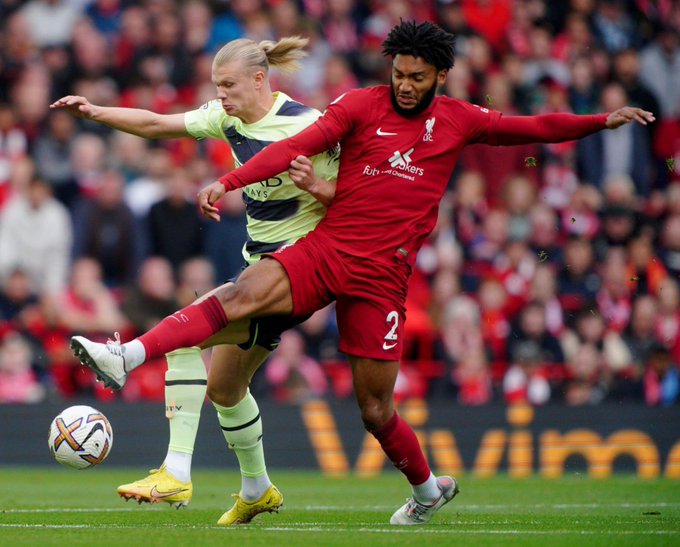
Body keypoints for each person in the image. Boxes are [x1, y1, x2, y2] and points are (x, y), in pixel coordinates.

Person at [70, 20, 654, 526]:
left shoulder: (459, 121)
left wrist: (602, 120)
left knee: (374, 409)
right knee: (243, 292)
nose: (404, 84)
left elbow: (531, 128)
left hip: (383, 279)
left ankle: (427, 492)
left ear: (440, 77)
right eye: (398, 73)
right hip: (326, 250)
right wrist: (229, 180)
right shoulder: (357, 105)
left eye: (417, 77)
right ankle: (128, 358)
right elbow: (293, 147)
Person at [53, 36, 338, 524]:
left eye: (228, 85)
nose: (222, 95)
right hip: (258, 267)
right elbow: (156, 124)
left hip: (297, 270)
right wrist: (96, 112)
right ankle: (258, 488)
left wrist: (318, 189)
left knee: (188, 327)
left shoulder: (311, 126)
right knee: (225, 388)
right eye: (216, 86)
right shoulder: (227, 118)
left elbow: (355, 201)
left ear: (258, 79)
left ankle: (174, 466)